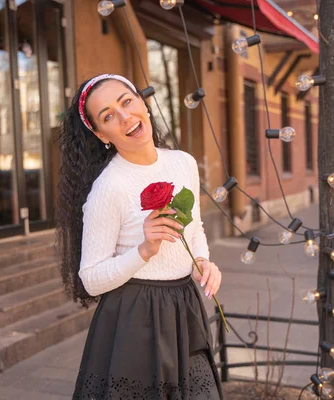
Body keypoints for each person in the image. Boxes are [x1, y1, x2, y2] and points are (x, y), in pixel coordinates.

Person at [57, 73, 223, 399]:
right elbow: (90, 279)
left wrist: (201, 261)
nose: (124, 116)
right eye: (108, 116)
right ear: (100, 132)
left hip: (185, 307)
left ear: (142, 103)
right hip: (135, 318)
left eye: (126, 101)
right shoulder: (109, 188)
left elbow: (196, 229)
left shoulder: (183, 162)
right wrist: (144, 250)